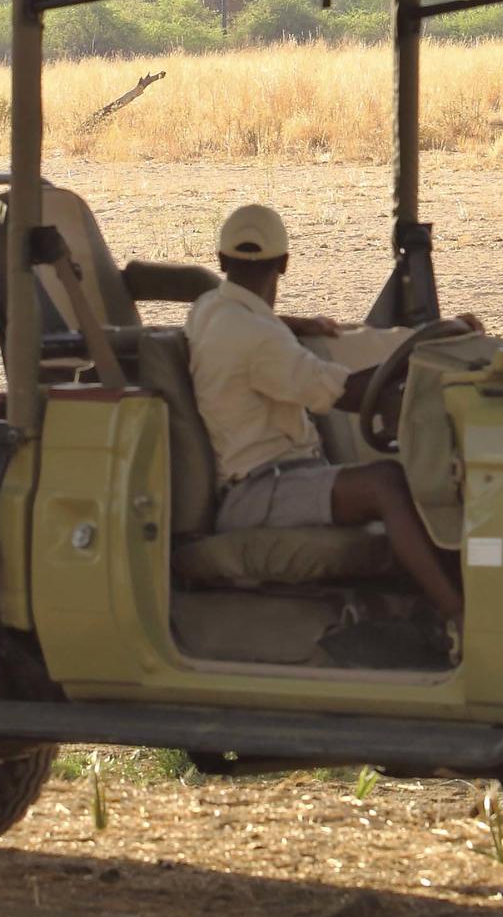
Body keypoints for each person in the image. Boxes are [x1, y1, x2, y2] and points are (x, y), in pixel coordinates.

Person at [182, 203, 466, 622]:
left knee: (402, 475)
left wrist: (298, 324)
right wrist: (422, 351)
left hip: (271, 477)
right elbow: (346, 393)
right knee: (386, 483)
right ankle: (460, 615)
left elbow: (249, 326)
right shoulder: (260, 340)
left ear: (222, 261)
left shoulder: (208, 308)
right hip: (257, 491)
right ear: (284, 263)